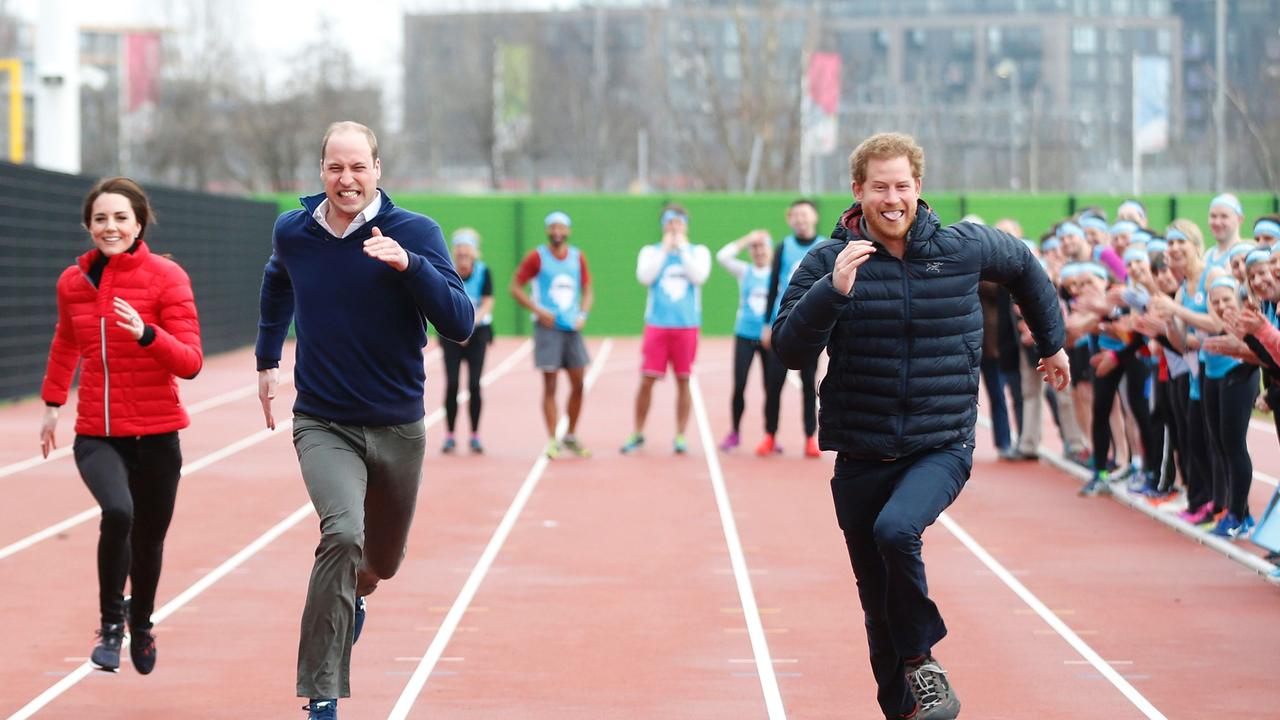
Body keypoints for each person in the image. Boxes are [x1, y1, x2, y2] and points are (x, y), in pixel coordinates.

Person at [772, 132, 1068, 720]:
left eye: (902, 186)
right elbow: (787, 349)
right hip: (860, 450)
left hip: (941, 442)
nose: (891, 198)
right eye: (879, 187)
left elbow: (1025, 268)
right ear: (858, 191)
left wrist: (1053, 342)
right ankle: (905, 708)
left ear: (918, 189)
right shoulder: (829, 261)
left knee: (896, 531)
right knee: (877, 606)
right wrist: (832, 294)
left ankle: (922, 660)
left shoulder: (962, 247)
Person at [255, 121, 474, 720]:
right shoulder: (295, 231)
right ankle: (322, 694)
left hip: (398, 425)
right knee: (342, 535)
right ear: (320, 169)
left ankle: (356, 599)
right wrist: (267, 357)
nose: (345, 179)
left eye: (357, 167)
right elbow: (278, 280)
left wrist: (411, 266)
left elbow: (460, 322)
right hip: (324, 420)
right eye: (334, 167)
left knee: (380, 563)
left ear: (378, 169)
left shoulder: (416, 232)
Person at [40, 177, 203, 675]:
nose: (109, 227)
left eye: (120, 218)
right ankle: (112, 624)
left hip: (156, 434)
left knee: (150, 540)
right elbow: (67, 341)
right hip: (97, 433)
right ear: (88, 225)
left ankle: (143, 621)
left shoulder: (167, 277)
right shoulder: (73, 283)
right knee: (118, 511)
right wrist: (51, 404)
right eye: (100, 219)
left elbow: (191, 361)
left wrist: (147, 334)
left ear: (138, 223)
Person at [621, 204, 712, 455]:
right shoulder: (651, 252)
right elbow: (645, 277)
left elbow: (699, 276)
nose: (674, 228)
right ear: (663, 225)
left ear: (685, 225)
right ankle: (638, 431)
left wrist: (681, 248)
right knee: (647, 379)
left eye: (678, 223)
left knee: (684, 380)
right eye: (670, 223)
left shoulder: (697, 252)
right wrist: (664, 249)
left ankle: (680, 435)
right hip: (657, 325)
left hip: (686, 326)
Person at [509, 211, 594, 459]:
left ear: (568, 231)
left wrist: (583, 314)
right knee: (551, 385)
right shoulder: (537, 257)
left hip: (572, 328)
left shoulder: (578, 257)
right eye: (553, 227)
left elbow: (588, 290)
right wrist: (538, 310)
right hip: (547, 329)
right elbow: (515, 286)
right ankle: (552, 439)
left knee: (579, 383)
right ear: (548, 231)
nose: (557, 232)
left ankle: (570, 435)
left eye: (562, 228)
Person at [758, 199, 826, 457]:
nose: (800, 219)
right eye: (796, 215)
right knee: (773, 383)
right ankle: (769, 435)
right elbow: (773, 286)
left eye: (805, 215)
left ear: (814, 217)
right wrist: (766, 323)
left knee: (809, 384)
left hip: (810, 326)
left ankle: (810, 437)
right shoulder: (783, 247)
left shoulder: (824, 247)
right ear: (790, 219)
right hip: (782, 324)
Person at [715, 229, 783, 451]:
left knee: (771, 387)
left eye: (763, 246)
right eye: (755, 247)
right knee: (740, 385)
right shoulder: (745, 271)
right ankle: (734, 432)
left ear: (771, 250)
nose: (759, 251)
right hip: (744, 335)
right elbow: (722, 256)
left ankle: (770, 435)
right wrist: (747, 239)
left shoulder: (778, 275)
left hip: (769, 338)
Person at [440, 228, 494, 454]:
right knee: (452, 384)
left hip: (477, 333)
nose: (463, 251)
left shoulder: (483, 272)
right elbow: (442, 301)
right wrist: (457, 328)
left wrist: (469, 326)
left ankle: (474, 435)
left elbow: (488, 302)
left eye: (467, 247)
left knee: (474, 384)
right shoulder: (447, 271)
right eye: (459, 247)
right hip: (452, 334)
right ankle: (450, 435)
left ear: (474, 252)